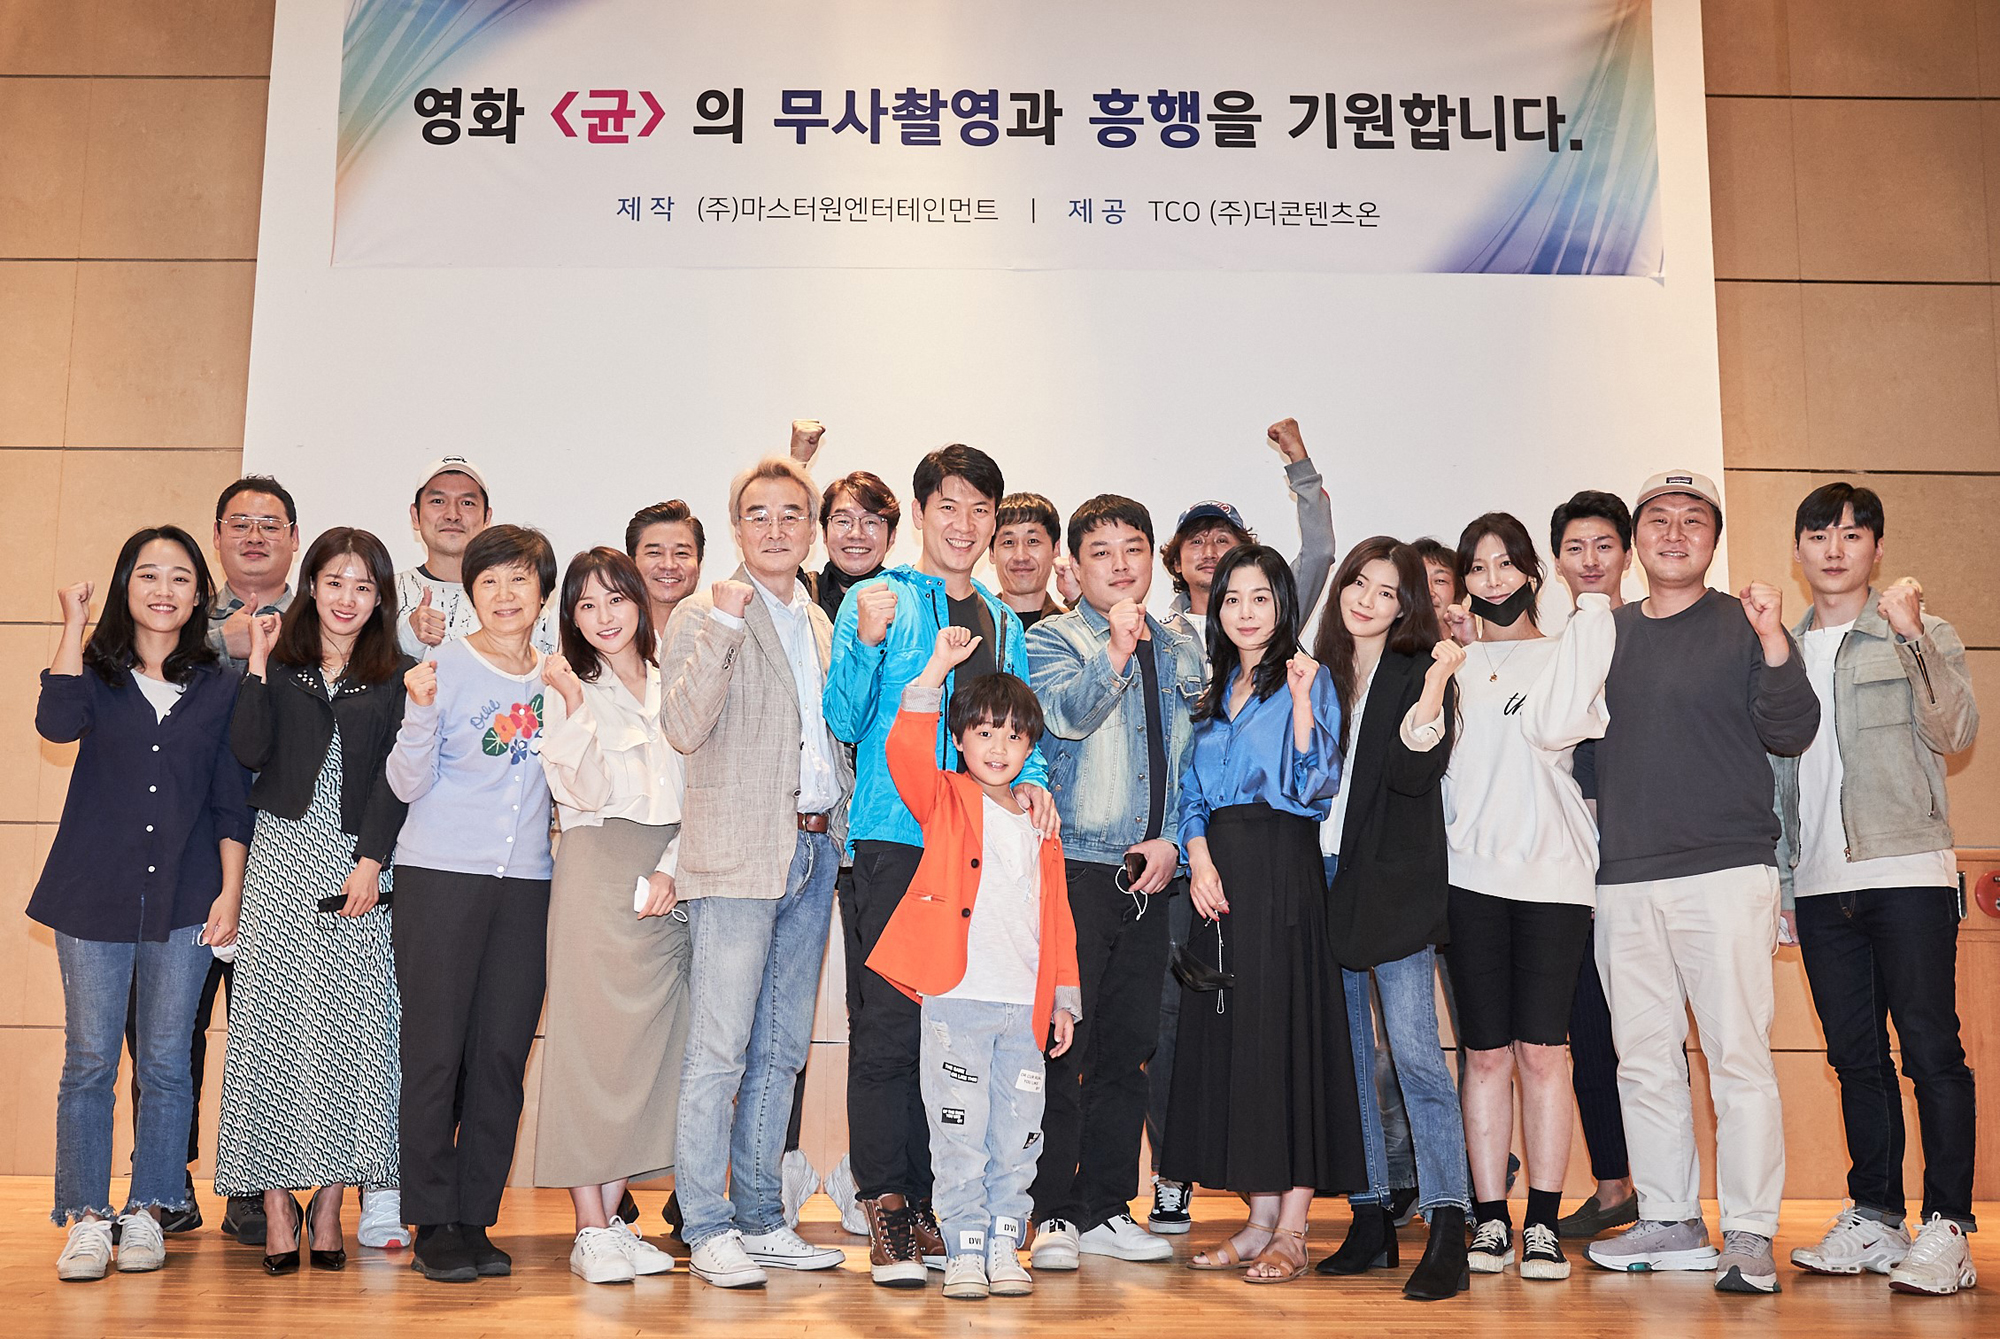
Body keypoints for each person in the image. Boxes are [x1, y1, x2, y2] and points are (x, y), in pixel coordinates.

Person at [1533, 471, 1819, 1295]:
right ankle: (1670, 1218)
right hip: (1623, 880)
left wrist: (1774, 638)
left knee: (1738, 1057)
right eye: (1658, 519)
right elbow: (1579, 753)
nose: (1674, 532)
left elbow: (1792, 727)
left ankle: (1751, 1230)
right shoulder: (1609, 630)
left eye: (1693, 520)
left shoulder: (1744, 622)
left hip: (1727, 872)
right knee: (1643, 1059)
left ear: (1712, 541)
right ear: (1636, 540)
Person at [824, 443, 1057, 1287]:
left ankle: (935, 1207)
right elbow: (843, 717)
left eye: (980, 509)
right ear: (920, 513)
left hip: (978, 852)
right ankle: (886, 1202)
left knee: (952, 1036)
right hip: (894, 839)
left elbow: (1020, 728)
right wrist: (866, 641)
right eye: (948, 506)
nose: (964, 524)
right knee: (889, 1029)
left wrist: (1035, 785)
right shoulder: (876, 598)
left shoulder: (1002, 619)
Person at [1775, 483, 1980, 1296]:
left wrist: (1911, 635)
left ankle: (1949, 1226)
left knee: (1931, 1050)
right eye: (1819, 534)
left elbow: (1955, 732)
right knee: (1854, 1056)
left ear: (1878, 548)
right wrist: (1784, 880)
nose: (1834, 548)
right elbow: (1776, 779)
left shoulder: (1920, 630)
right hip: (1819, 882)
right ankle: (1876, 1215)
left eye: (1852, 534)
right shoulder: (1782, 649)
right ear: (1798, 549)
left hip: (1906, 872)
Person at [32, 527, 251, 1282]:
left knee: (166, 1061)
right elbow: (56, 722)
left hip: (186, 898)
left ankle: (150, 1208)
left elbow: (230, 798)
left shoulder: (219, 685)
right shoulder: (95, 673)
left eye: (180, 577)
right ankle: (87, 1218)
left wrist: (231, 890)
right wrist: (73, 623)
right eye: (149, 575)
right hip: (92, 894)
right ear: (127, 585)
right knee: (90, 1060)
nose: (164, 590)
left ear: (199, 595)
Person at [661, 457, 854, 1289]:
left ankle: (761, 1217)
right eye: (758, 515)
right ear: (736, 529)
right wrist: (725, 626)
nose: (776, 528)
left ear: (811, 529)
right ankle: (705, 1224)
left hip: (813, 849)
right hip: (738, 853)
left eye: (790, 514)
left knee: (780, 1051)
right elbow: (682, 724)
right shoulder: (704, 610)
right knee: (720, 1051)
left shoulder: (820, 620)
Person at [214, 527, 412, 1275]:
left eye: (363, 587)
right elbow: (248, 749)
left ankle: (328, 1205)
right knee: (269, 1039)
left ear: (380, 598)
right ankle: (275, 1204)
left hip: (359, 868)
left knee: (351, 1041)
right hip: (281, 861)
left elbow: (396, 779)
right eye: (335, 583)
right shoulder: (284, 664)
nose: (347, 599)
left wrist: (372, 862)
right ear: (312, 586)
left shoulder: (398, 676)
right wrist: (257, 663)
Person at [1163, 543, 1359, 1286]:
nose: (1245, 612)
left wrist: (1304, 703)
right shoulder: (1214, 689)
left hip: (1283, 868)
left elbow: (1315, 788)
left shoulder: (1309, 678)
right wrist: (1199, 856)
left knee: (1287, 1040)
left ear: (1282, 606)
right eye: (1232, 599)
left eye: (1260, 598)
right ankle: (1256, 1221)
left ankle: (1294, 1230)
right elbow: (1190, 791)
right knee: (1237, 1042)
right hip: (1219, 874)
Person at [867, 633, 1082, 1299]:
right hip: (957, 999)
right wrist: (936, 669)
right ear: (959, 739)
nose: (997, 747)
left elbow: (1058, 916)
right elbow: (904, 751)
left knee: (1018, 1134)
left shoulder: (1039, 820)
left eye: (1013, 736)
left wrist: (1064, 998)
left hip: (1024, 1007)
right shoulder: (948, 798)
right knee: (958, 1130)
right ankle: (962, 1248)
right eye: (984, 732)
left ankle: (1003, 1246)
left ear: (1030, 746)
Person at [1023, 496, 1203, 1268]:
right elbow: (1064, 715)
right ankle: (1052, 1212)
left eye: (1133, 547)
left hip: (1151, 873)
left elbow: (1198, 757)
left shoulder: (1183, 644)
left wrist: (1176, 845)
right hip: (1077, 866)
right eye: (1101, 551)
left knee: (1129, 1048)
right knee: (1065, 1043)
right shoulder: (1051, 638)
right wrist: (1118, 651)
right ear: (1077, 563)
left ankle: (1103, 1206)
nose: (1120, 563)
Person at [385, 524, 559, 1285]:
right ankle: (431, 1218)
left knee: (500, 1055)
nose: (505, 594)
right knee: (435, 1051)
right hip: (439, 877)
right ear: (470, 593)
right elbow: (405, 783)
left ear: (543, 593)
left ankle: (475, 1216)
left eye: (520, 579)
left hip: (526, 884)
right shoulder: (441, 668)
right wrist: (420, 709)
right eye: (489, 581)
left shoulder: (557, 678)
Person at [1432, 514, 1603, 1283]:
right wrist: (1446, 658)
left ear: (1532, 571)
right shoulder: (1450, 665)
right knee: (1484, 1053)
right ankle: (1491, 1217)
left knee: (1542, 1051)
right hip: (1468, 879)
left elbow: (1562, 729)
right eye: (1478, 566)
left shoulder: (1569, 651)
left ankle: (1543, 1221)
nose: (1493, 578)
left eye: (1506, 563)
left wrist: (1591, 603)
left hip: (1554, 880)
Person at [1311, 537, 1471, 1300]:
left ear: (1406, 605)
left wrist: (1437, 682)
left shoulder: (1419, 670)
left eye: (1386, 590)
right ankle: (1371, 1214)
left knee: (1416, 1056)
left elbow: (1414, 771)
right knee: (1347, 1060)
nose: (1367, 599)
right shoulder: (1318, 671)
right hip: (1321, 877)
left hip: (1395, 884)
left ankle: (1447, 1223)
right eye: (1358, 582)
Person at [533, 548, 686, 1285]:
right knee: (588, 1045)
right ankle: (589, 1228)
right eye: (586, 605)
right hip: (596, 861)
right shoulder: (567, 684)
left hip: (670, 869)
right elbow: (583, 792)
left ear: (638, 601)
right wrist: (569, 703)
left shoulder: (673, 678)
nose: (603, 616)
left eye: (615, 599)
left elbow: (703, 785)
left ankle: (614, 1222)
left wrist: (674, 867)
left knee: (649, 1053)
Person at [151, 474, 297, 1244]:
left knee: (266, 1031)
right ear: (216, 537)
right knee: (171, 1025)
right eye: (239, 522)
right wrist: (219, 643)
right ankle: (164, 1181)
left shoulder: (319, 623)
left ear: (294, 539)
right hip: (184, 850)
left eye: (270, 523)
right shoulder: (177, 619)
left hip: (283, 853)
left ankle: (252, 1184)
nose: (254, 535)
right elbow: (137, 678)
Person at [1546, 491, 1638, 1240]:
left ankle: (1667, 1195)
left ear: (1627, 555)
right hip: (1575, 873)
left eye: (1604, 545)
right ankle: (1615, 1187)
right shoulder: (1558, 650)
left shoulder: (1649, 635)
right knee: (1587, 1033)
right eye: (1575, 547)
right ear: (1557, 562)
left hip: (1649, 866)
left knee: (1650, 1036)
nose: (1590, 560)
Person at [1160, 417, 1337, 662]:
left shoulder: (1272, 614)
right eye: (1196, 542)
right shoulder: (1158, 638)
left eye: (1222, 540)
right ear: (1176, 562)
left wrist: (1298, 460)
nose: (1209, 552)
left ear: (1242, 556)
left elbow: (1319, 551)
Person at [395, 456, 554, 657]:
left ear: (487, 517)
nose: (452, 515)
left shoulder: (523, 605)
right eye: (438, 501)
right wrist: (407, 640)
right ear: (415, 515)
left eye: (467, 503)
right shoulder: (387, 594)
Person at [991, 492, 1073, 631]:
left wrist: (1076, 600)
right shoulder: (972, 627)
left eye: (1033, 541)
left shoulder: (1072, 627)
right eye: (1008, 542)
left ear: (1055, 549)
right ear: (992, 553)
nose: (1021, 556)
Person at [624, 499, 705, 638]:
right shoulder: (611, 636)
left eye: (681, 553)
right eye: (655, 553)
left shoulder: (720, 631)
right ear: (632, 562)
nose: (669, 565)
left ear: (699, 562)